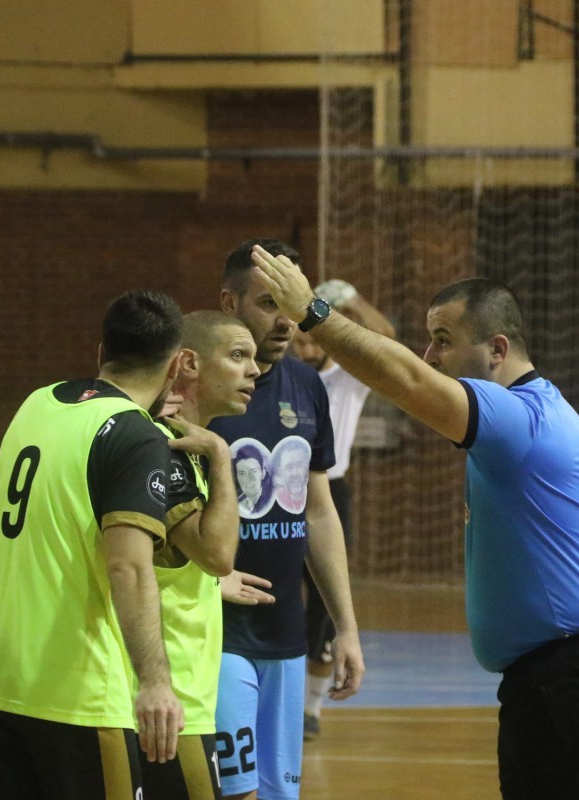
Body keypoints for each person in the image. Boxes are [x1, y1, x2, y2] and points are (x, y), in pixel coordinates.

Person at [253, 249, 579, 800]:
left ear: (497, 350)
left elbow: (407, 380)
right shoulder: (522, 415)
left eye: (443, 340)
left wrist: (312, 312)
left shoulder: (521, 417)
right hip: (542, 677)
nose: (430, 355)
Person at [0, 289, 186, 800]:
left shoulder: (37, 403)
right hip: (74, 691)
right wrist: (155, 682)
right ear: (175, 367)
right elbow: (129, 568)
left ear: (101, 352)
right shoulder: (135, 434)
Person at [209, 239, 365, 800]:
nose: (285, 321)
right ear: (229, 303)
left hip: (287, 638)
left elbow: (319, 512)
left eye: (293, 304)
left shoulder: (307, 385)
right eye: (268, 303)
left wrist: (346, 626)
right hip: (215, 636)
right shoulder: (193, 390)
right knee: (236, 794)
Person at [140, 310, 264, 799]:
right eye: (237, 356)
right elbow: (216, 554)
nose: (254, 370)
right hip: (162, 695)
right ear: (189, 364)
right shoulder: (163, 443)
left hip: (187, 691)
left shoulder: (187, 444)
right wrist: (222, 456)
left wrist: (214, 579)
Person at [290, 280, 395, 740]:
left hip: (330, 492)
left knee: (325, 607)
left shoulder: (347, 376)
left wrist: (351, 299)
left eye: (314, 339)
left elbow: (386, 339)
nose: (307, 349)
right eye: (300, 341)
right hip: (281, 491)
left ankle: (311, 708)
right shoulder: (283, 378)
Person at [232, 443, 271, 518]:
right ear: (237, 477)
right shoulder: (237, 502)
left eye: (254, 471)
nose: (249, 479)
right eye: (242, 473)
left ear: (263, 473)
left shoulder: (267, 501)